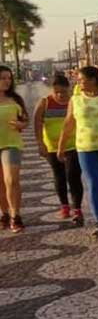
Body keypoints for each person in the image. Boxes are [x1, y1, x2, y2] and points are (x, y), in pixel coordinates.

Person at [60, 66, 98, 237]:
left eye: (81, 80)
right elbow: (68, 123)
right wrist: (61, 146)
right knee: (93, 182)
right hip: (86, 147)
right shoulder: (76, 99)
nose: (79, 83)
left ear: (93, 79)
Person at [34, 73, 84, 226]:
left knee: (73, 175)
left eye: (64, 92)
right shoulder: (45, 103)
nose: (61, 95)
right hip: (52, 147)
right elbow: (37, 123)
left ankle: (77, 208)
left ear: (69, 89)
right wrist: (40, 143)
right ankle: (64, 206)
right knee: (59, 175)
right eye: (57, 92)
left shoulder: (74, 102)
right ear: (52, 90)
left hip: (73, 145)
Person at [0, 66, 27, 232]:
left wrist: (20, 124)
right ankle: (4, 213)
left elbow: (25, 120)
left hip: (12, 144)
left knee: (12, 180)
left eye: (9, 78)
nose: (7, 81)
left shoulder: (15, 100)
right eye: (3, 78)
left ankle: (15, 215)